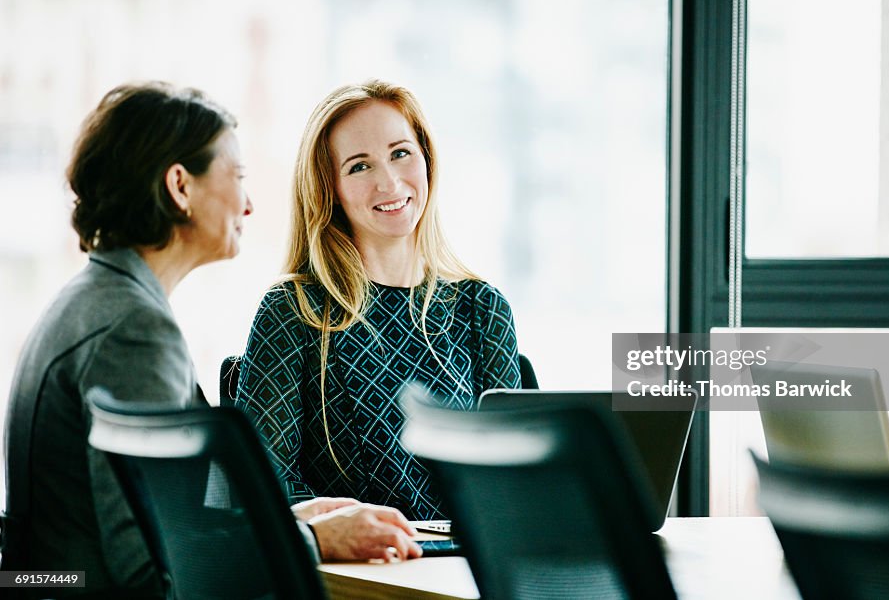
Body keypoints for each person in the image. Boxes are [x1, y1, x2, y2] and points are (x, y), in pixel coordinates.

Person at [1, 83, 420, 599]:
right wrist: (310, 539)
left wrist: (283, 519)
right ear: (180, 186)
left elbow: (163, 522)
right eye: (238, 177)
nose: (248, 204)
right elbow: (153, 566)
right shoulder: (132, 329)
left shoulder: (97, 301)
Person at [236, 79, 521, 521]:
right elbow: (260, 484)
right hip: (357, 573)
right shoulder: (293, 309)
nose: (389, 181)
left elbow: (516, 476)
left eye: (400, 153)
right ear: (328, 189)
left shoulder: (482, 307)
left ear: (426, 160)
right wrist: (338, 526)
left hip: (469, 570)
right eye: (359, 166)